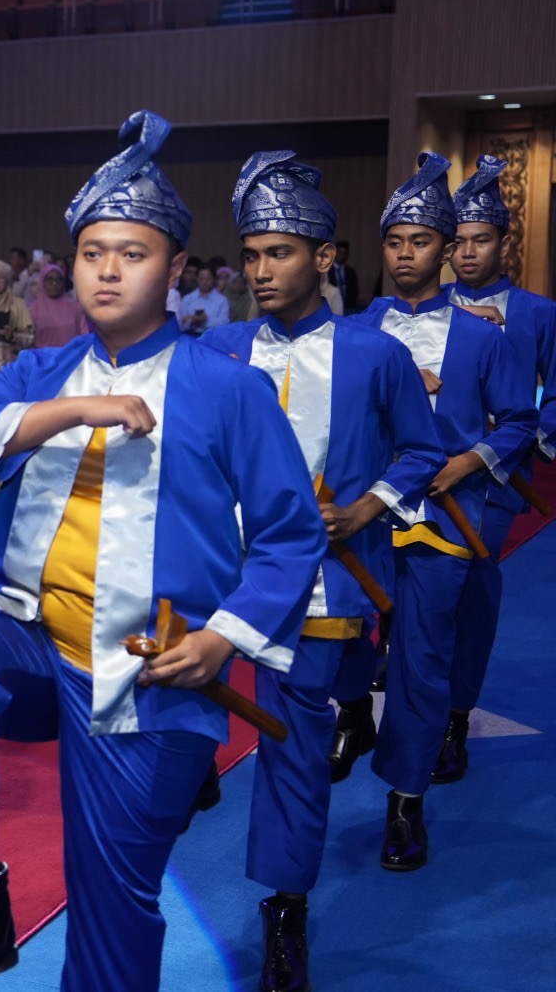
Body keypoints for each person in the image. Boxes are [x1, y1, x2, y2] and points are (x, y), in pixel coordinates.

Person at [0, 111, 326, 992]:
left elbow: (290, 533)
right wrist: (77, 411)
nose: (108, 269)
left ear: (175, 267)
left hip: (149, 671)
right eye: (92, 253)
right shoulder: (44, 373)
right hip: (27, 642)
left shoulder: (229, 389)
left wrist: (222, 640)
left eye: (132, 252)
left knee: (112, 898)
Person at [200, 151, 447, 992]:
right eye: (251, 255)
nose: (261, 271)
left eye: (279, 253)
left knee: (295, 749)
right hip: (221, 588)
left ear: (326, 257)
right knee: (234, 736)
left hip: (325, 588)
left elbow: (421, 451)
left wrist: (368, 508)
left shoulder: (374, 355)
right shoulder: (219, 349)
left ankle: (287, 906)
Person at [342, 152, 535, 872]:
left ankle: (406, 800)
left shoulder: (486, 336)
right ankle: (354, 713)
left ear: (446, 249)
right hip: (362, 513)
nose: (404, 254)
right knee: (336, 641)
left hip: (444, 518)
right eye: (393, 242)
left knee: (422, 658)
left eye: (419, 242)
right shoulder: (354, 328)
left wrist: (467, 461)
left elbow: (519, 420)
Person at [435, 155, 556, 780]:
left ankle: (455, 718)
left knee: (472, 599)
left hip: (495, 481)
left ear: (504, 241)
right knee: (416, 597)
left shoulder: (537, 313)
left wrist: (527, 441)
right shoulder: (423, 307)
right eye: (457, 240)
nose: (467, 252)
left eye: (480, 240)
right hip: (419, 477)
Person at [28, 262, 90, 348]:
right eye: (50, 280)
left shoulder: (75, 308)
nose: (54, 283)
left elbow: (84, 335)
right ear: (43, 283)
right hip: (42, 355)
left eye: (58, 280)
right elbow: (29, 340)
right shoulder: (33, 310)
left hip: (72, 354)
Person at [179, 262, 229, 333]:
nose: (204, 282)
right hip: (190, 336)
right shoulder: (187, 299)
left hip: (213, 337)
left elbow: (224, 323)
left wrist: (205, 320)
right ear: (196, 278)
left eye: (208, 279)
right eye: (201, 279)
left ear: (214, 279)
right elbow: (181, 323)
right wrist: (192, 321)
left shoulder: (222, 300)